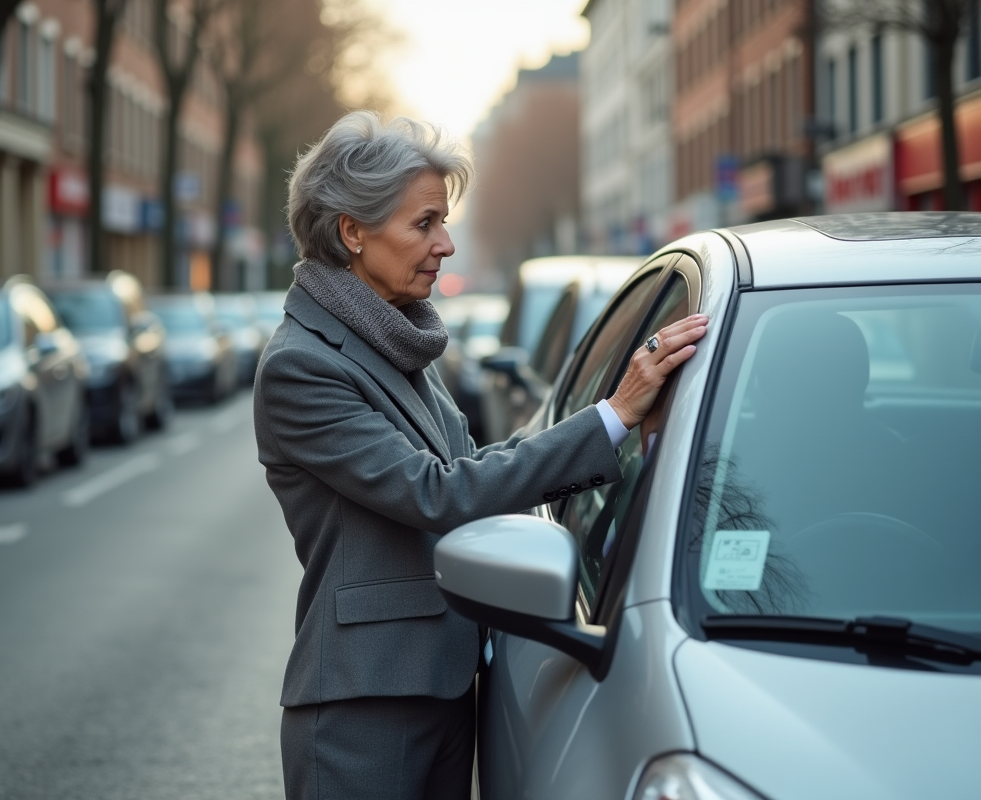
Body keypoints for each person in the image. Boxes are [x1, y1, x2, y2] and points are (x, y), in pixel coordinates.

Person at [253, 111, 707, 800]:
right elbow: (438, 493)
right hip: (365, 709)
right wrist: (611, 416)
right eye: (425, 223)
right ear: (353, 232)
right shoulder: (304, 365)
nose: (446, 244)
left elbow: (482, 464)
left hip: (438, 686)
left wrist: (610, 418)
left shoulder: (392, 338)